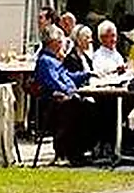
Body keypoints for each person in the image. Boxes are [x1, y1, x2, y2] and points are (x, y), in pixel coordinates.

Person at [33, 25, 96, 166]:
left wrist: (87, 74)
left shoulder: (55, 60)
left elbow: (68, 77)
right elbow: (54, 83)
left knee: (90, 107)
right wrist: (72, 92)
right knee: (81, 107)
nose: (63, 44)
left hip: (64, 98)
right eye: (60, 41)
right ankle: (69, 152)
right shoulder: (45, 61)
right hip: (52, 103)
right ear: (53, 42)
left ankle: (80, 150)